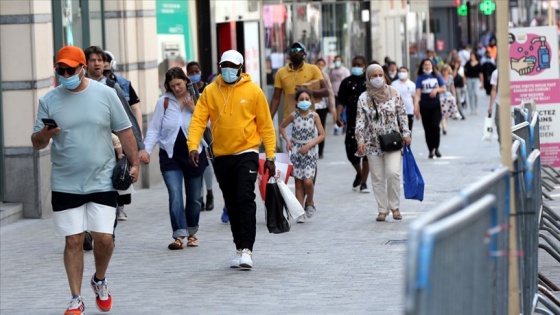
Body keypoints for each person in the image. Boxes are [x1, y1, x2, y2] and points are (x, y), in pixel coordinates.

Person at [31, 45, 139, 315]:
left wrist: (134, 161)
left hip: (102, 179)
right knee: (73, 240)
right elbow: (36, 143)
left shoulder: (105, 94)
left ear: (82, 68)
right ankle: (75, 298)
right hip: (65, 181)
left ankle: (99, 280)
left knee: (104, 239)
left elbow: (124, 129)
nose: (65, 73)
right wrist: (46, 133)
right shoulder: (48, 100)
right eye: (60, 69)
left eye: (70, 69)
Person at [187, 50, 276, 270]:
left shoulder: (253, 91)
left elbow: (266, 125)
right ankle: (239, 247)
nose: (227, 69)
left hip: (247, 153)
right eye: (224, 65)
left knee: (245, 197)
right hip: (221, 156)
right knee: (232, 202)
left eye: (232, 65)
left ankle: (247, 249)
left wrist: (271, 155)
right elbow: (198, 120)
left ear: (240, 67)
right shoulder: (210, 91)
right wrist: (192, 146)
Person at [140, 67, 207, 250]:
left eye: (179, 84)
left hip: (195, 155)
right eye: (172, 86)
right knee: (175, 195)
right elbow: (154, 129)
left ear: (185, 80)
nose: (177, 88)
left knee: (194, 198)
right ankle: (179, 235)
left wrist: (194, 109)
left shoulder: (199, 98)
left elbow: (211, 123)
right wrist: (146, 150)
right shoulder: (164, 102)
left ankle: (192, 232)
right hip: (170, 157)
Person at [355, 64, 411, 222]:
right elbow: (360, 121)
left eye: (380, 74)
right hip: (372, 143)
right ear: (368, 77)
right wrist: (360, 139)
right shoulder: (363, 98)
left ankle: (395, 206)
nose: (378, 78)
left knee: (393, 173)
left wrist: (406, 133)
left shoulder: (394, 93)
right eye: (374, 75)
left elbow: (402, 114)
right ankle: (382, 209)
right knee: (378, 177)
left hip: (392, 140)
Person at [103, 50, 143, 221]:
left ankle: (120, 206)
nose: (101, 65)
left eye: (105, 61)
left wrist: (137, 139)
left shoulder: (120, 85)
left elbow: (133, 110)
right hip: (104, 137)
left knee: (120, 171)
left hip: (120, 135)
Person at [269, 42, 328, 150]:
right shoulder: (281, 73)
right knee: (290, 159)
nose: (296, 53)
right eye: (293, 51)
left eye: (299, 51)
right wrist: (269, 119)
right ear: (289, 55)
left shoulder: (313, 69)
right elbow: (276, 98)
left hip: (309, 119)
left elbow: (325, 91)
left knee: (309, 158)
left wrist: (309, 91)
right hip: (288, 120)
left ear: (304, 54)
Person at [279, 88, 326, 223]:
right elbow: (282, 127)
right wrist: (287, 141)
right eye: (301, 99)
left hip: (310, 151)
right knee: (298, 182)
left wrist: (309, 145)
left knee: (308, 181)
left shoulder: (314, 116)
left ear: (310, 101)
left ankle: (310, 202)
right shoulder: (293, 115)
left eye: (307, 99)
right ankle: (299, 211)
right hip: (296, 151)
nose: (304, 102)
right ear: (296, 101)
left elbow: (322, 135)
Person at [337, 55, 371, 193]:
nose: (356, 66)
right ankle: (359, 172)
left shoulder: (369, 82)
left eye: (359, 64)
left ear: (364, 66)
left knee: (367, 153)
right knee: (351, 152)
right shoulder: (346, 82)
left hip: (368, 123)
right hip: (351, 122)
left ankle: (364, 182)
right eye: (354, 64)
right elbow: (341, 101)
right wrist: (338, 115)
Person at [187, 61, 215, 211]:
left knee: (207, 163)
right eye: (191, 72)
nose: (194, 75)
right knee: (198, 162)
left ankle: (210, 192)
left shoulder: (209, 89)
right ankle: (199, 196)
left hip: (208, 130)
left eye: (196, 71)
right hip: (192, 130)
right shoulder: (186, 90)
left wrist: (193, 109)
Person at [414, 58, 446, 159]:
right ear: (422, 66)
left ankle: (436, 147)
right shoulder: (420, 77)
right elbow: (418, 93)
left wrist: (436, 90)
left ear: (432, 66)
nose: (427, 67)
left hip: (435, 104)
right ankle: (430, 149)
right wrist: (416, 106)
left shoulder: (437, 75)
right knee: (427, 128)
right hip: (424, 105)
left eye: (429, 64)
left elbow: (444, 88)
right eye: (425, 65)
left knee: (435, 125)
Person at [314, 58, 336, 158]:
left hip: (322, 106)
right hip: (311, 106)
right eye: (318, 64)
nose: (319, 66)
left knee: (321, 128)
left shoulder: (325, 76)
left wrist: (332, 107)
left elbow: (330, 91)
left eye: (322, 65)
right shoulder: (311, 75)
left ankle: (321, 151)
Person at [329, 55, 351, 135]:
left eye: (339, 60)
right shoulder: (331, 71)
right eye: (336, 60)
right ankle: (336, 126)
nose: (337, 62)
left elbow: (349, 81)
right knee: (334, 111)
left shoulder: (345, 70)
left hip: (343, 93)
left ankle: (344, 125)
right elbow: (329, 82)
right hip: (333, 94)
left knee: (343, 110)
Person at [391, 66, 416, 132]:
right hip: (397, 110)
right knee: (399, 130)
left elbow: (414, 97)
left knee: (409, 129)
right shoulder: (394, 84)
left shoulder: (412, 84)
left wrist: (416, 108)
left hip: (409, 110)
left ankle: (408, 142)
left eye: (403, 71)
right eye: (400, 72)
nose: (401, 73)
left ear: (408, 73)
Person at [439, 64, 459, 135]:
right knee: (442, 112)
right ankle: (444, 127)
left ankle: (444, 126)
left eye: (446, 70)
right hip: (440, 96)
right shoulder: (439, 77)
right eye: (443, 70)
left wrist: (454, 96)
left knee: (446, 113)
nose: (444, 72)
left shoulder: (450, 77)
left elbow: (452, 87)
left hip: (448, 96)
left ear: (448, 71)